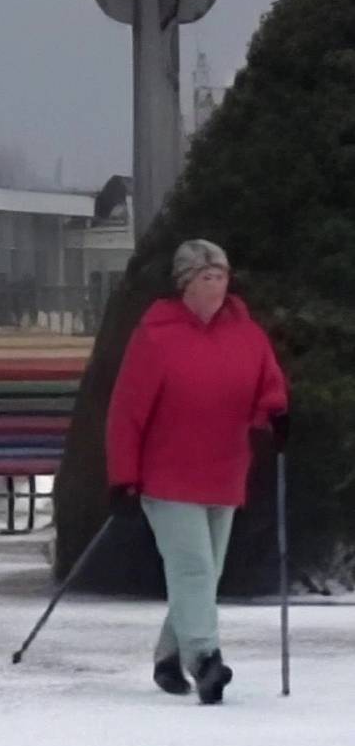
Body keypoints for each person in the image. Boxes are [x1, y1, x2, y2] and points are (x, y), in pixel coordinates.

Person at [106, 239, 288, 704]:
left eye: (222, 276)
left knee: (206, 574)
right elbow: (127, 412)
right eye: (207, 277)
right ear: (185, 285)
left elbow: (268, 382)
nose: (217, 284)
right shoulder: (157, 335)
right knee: (193, 571)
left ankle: (169, 656)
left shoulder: (245, 333)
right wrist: (123, 477)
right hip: (167, 477)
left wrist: (276, 413)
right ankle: (206, 660)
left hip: (224, 472)